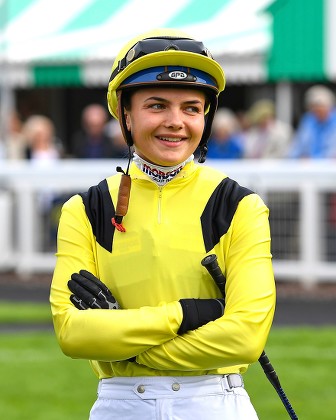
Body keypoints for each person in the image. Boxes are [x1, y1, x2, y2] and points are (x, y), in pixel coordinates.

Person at [50, 28, 275, 420]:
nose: (176, 122)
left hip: (216, 403)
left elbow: (245, 338)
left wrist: (122, 338)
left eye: (191, 108)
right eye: (157, 105)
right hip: (119, 404)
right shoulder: (84, 209)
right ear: (125, 113)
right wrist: (185, 314)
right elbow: (72, 333)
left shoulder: (241, 206)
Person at [288, 85, 336, 158]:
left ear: (330, 107)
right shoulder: (308, 120)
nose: (317, 111)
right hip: (309, 166)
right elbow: (297, 146)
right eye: (314, 107)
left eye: (321, 106)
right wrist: (299, 156)